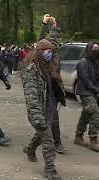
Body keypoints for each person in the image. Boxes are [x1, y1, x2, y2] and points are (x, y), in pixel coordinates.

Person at [21, 39, 65, 180]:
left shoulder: (48, 66)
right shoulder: (31, 70)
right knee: (48, 138)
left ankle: (30, 149)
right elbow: (31, 96)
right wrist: (37, 116)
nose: (50, 54)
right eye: (47, 51)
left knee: (41, 134)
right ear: (39, 52)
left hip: (49, 107)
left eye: (51, 52)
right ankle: (50, 170)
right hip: (37, 110)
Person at [38, 14, 67, 154]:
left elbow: (54, 38)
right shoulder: (42, 53)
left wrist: (54, 25)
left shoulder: (55, 54)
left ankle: (55, 142)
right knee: (47, 117)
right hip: (43, 87)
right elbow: (40, 40)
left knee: (52, 116)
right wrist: (44, 23)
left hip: (53, 87)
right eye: (48, 47)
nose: (51, 48)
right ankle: (50, 142)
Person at [74, 42, 99, 152]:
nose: (96, 50)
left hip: (93, 92)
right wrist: (96, 90)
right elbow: (85, 80)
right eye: (94, 48)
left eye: (98, 48)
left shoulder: (96, 62)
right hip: (84, 92)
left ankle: (78, 136)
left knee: (86, 113)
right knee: (95, 113)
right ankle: (93, 140)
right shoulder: (83, 63)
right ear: (89, 49)